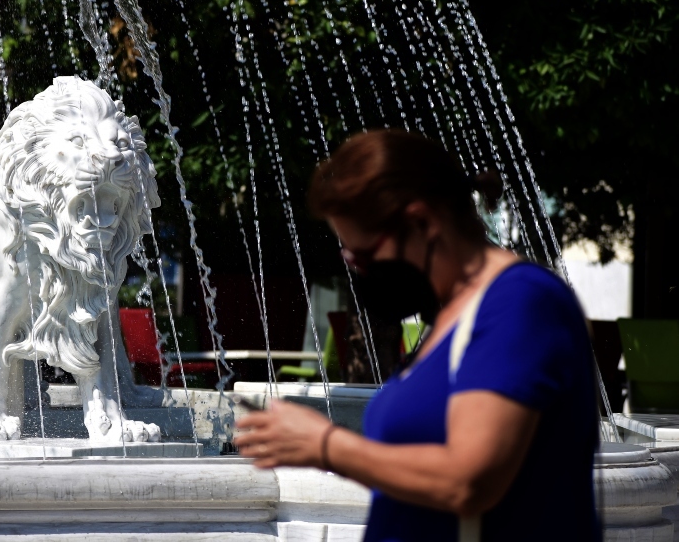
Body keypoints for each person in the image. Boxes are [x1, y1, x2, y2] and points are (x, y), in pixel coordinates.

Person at [234, 129, 600, 541]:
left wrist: (327, 446)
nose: (360, 272)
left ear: (423, 222)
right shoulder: (450, 318)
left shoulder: (520, 303)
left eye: (366, 255)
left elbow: (467, 481)